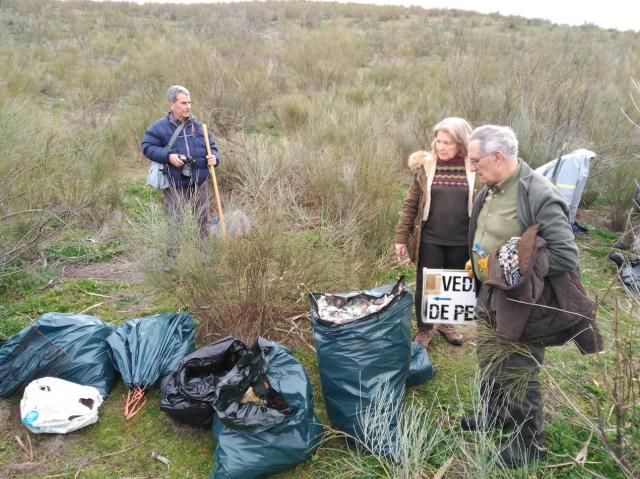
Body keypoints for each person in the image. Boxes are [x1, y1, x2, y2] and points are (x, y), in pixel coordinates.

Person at [463, 125, 580, 468]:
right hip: (489, 293)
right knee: (488, 356)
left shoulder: (538, 194)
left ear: (498, 156)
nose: (472, 167)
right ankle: (493, 414)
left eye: (475, 160)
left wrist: (510, 266)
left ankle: (529, 444)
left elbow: (565, 256)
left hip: (520, 302)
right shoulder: (489, 188)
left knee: (519, 369)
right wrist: (479, 262)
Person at [395, 117, 476, 348]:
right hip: (430, 238)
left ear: (461, 143)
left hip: (462, 240)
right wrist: (401, 237)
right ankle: (425, 329)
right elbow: (411, 204)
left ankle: (445, 323)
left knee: (453, 283)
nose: (440, 147)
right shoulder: (427, 167)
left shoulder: (474, 168)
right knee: (427, 283)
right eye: (438, 141)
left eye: (447, 143)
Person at [141, 85, 220, 237]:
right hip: (175, 185)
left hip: (199, 184)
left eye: (189, 102)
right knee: (176, 225)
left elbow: (213, 148)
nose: (188, 106)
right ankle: (174, 258)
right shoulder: (159, 127)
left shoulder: (199, 126)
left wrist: (214, 159)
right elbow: (147, 147)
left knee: (203, 224)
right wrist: (168, 156)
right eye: (183, 103)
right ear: (172, 104)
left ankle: (203, 257)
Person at [614, 182, 640, 251]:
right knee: (630, 226)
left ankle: (627, 245)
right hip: (637, 207)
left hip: (638, 209)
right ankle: (627, 244)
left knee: (633, 227)